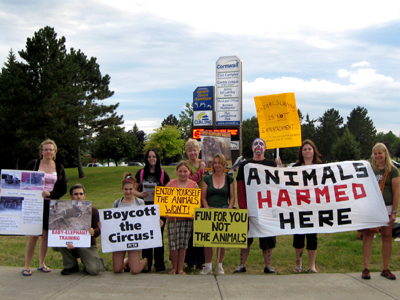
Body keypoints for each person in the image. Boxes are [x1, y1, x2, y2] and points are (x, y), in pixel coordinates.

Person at [22, 139, 67, 276]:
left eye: (51, 149)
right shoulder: (34, 164)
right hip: (35, 204)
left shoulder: (59, 167)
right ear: (41, 151)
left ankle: (42, 263)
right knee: (34, 235)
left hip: (51, 204)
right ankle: (27, 266)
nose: (48, 152)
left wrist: (51, 194)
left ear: (55, 152)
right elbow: (23, 181)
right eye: (46, 149)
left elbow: (63, 188)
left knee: (46, 235)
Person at [233, 137, 278, 274]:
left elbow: (277, 185)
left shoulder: (271, 164)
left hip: (266, 207)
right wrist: (243, 207)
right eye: (255, 144)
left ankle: (268, 265)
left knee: (267, 237)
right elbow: (240, 187)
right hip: (249, 207)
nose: (258, 146)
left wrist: (280, 168)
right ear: (252, 147)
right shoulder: (245, 165)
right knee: (246, 237)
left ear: (265, 147)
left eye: (261, 144)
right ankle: (242, 264)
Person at [361, 143, 399, 280]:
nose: (378, 156)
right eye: (375, 153)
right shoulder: (370, 169)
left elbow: (396, 193)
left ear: (385, 154)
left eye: (380, 153)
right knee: (368, 235)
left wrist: (394, 211)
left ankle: (385, 268)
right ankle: (366, 268)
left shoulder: (393, 170)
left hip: (387, 207)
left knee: (387, 237)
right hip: (372, 207)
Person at [56, 184, 105, 275]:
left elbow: (99, 229)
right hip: (70, 243)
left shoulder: (93, 211)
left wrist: (94, 231)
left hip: (87, 245)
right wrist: (66, 240)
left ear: (84, 196)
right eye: (76, 194)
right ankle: (71, 265)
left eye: (81, 194)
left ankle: (88, 261)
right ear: (71, 197)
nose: (78, 196)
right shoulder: (66, 211)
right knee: (58, 241)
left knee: (94, 270)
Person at [134, 149, 170, 272]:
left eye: (154, 156)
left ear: (157, 158)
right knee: (146, 236)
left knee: (158, 235)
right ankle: (146, 263)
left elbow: (169, 192)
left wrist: (160, 193)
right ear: (146, 158)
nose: (151, 159)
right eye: (149, 156)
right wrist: (140, 194)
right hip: (144, 208)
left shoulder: (163, 174)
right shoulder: (141, 173)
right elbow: (133, 190)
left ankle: (159, 263)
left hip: (159, 209)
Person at [199, 153, 235, 275]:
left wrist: (230, 208)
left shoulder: (229, 179)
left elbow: (232, 196)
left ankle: (220, 266)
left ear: (223, 164)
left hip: (224, 211)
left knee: (221, 240)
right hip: (210, 211)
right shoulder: (207, 179)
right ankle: (208, 266)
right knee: (208, 240)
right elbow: (203, 197)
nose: (217, 165)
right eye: (215, 163)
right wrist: (207, 207)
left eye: (220, 163)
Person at [291, 139, 322, 273]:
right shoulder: (295, 167)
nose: (307, 151)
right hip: (299, 206)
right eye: (304, 149)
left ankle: (312, 265)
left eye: (309, 149)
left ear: (314, 151)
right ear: (301, 152)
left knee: (312, 236)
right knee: (298, 235)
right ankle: (298, 264)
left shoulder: (321, 168)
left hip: (314, 207)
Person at [110, 172, 149, 274]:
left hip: (134, 238)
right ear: (122, 189)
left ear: (134, 189)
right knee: (117, 269)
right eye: (126, 189)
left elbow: (146, 219)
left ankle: (144, 261)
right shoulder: (117, 203)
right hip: (120, 239)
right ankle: (127, 260)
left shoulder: (140, 202)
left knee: (135, 271)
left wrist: (156, 222)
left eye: (130, 189)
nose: (128, 192)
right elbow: (110, 221)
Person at [165, 161, 199, 275]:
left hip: (186, 220)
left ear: (189, 171)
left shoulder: (193, 185)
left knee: (183, 244)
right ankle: (174, 268)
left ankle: (180, 269)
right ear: (177, 172)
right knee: (173, 244)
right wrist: (165, 213)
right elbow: (164, 202)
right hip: (172, 219)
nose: (183, 173)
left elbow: (196, 204)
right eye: (180, 171)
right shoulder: (170, 184)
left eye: (185, 171)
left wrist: (193, 214)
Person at [184, 139, 206, 270]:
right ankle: (190, 261)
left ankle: (201, 260)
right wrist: (202, 170)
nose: (193, 152)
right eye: (190, 150)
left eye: (195, 150)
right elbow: (190, 181)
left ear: (199, 150)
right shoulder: (186, 165)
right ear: (186, 152)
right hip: (191, 201)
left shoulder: (204, 162)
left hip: (203, 199)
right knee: (191, 232)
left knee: (202, 231)